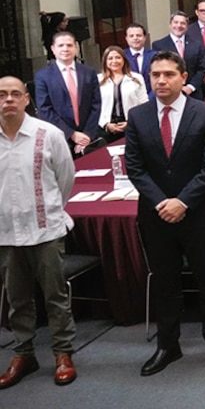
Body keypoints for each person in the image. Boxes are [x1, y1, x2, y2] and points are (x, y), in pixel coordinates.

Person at [125, 51, 205, 377]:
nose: (161, 81)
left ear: (183, 77)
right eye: (155, 74)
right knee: (165, 283)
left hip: (197, 214)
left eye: (169, 74)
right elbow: (135, 168)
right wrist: (162, 202)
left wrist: (182, 202)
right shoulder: (138, 115)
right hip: (156, 216)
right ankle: (168, 345)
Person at [0, 76, 78, 389]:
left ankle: (63, 353)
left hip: (45, 230)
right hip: (5, 234)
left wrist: (48, 209)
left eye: (14, 94)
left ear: (27, 99)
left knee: (55, 297)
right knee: (17, 299)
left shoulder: (49, 134)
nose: (8, 100)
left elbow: (66, 179)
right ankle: (24, 353)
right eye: (2, 95)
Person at [34, 30, 102, 155]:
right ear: (53, 49)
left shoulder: (89, 72)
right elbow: (44, 109)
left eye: (69, 45)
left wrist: (87, 135)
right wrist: (71, 134)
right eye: (60, 45)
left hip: (88, 138)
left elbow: (96, 104)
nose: (65, 49)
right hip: (60, 139)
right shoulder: (43, 76)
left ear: (76, 48)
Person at [97, 46, 148, 142]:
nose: (114, 61)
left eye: (118, 57)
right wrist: (105, 124)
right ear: (105, 62)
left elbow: (143, 104)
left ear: (124, 60)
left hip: (131, 125)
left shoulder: (137, 78)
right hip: (106, 128)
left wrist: (130, 122)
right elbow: (94, 106)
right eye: (110, 58)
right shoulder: (98, 80)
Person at [152, 11, 205, 100]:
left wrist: (191, 87)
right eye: (176, 22)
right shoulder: (159, 45)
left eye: (182, 23)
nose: (179, 26)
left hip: (193, 94)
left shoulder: (196, 44)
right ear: (170, 25)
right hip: (169, 93)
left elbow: (202, 69)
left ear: (187, 26)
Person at [125, 23, 155, 93]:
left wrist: (149, 98)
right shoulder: (121, 57)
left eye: (138, 35)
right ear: (126, 39)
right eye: (131, 36)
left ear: (144, 37)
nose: (135, 38)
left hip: (151, 97)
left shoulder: (154, 56)